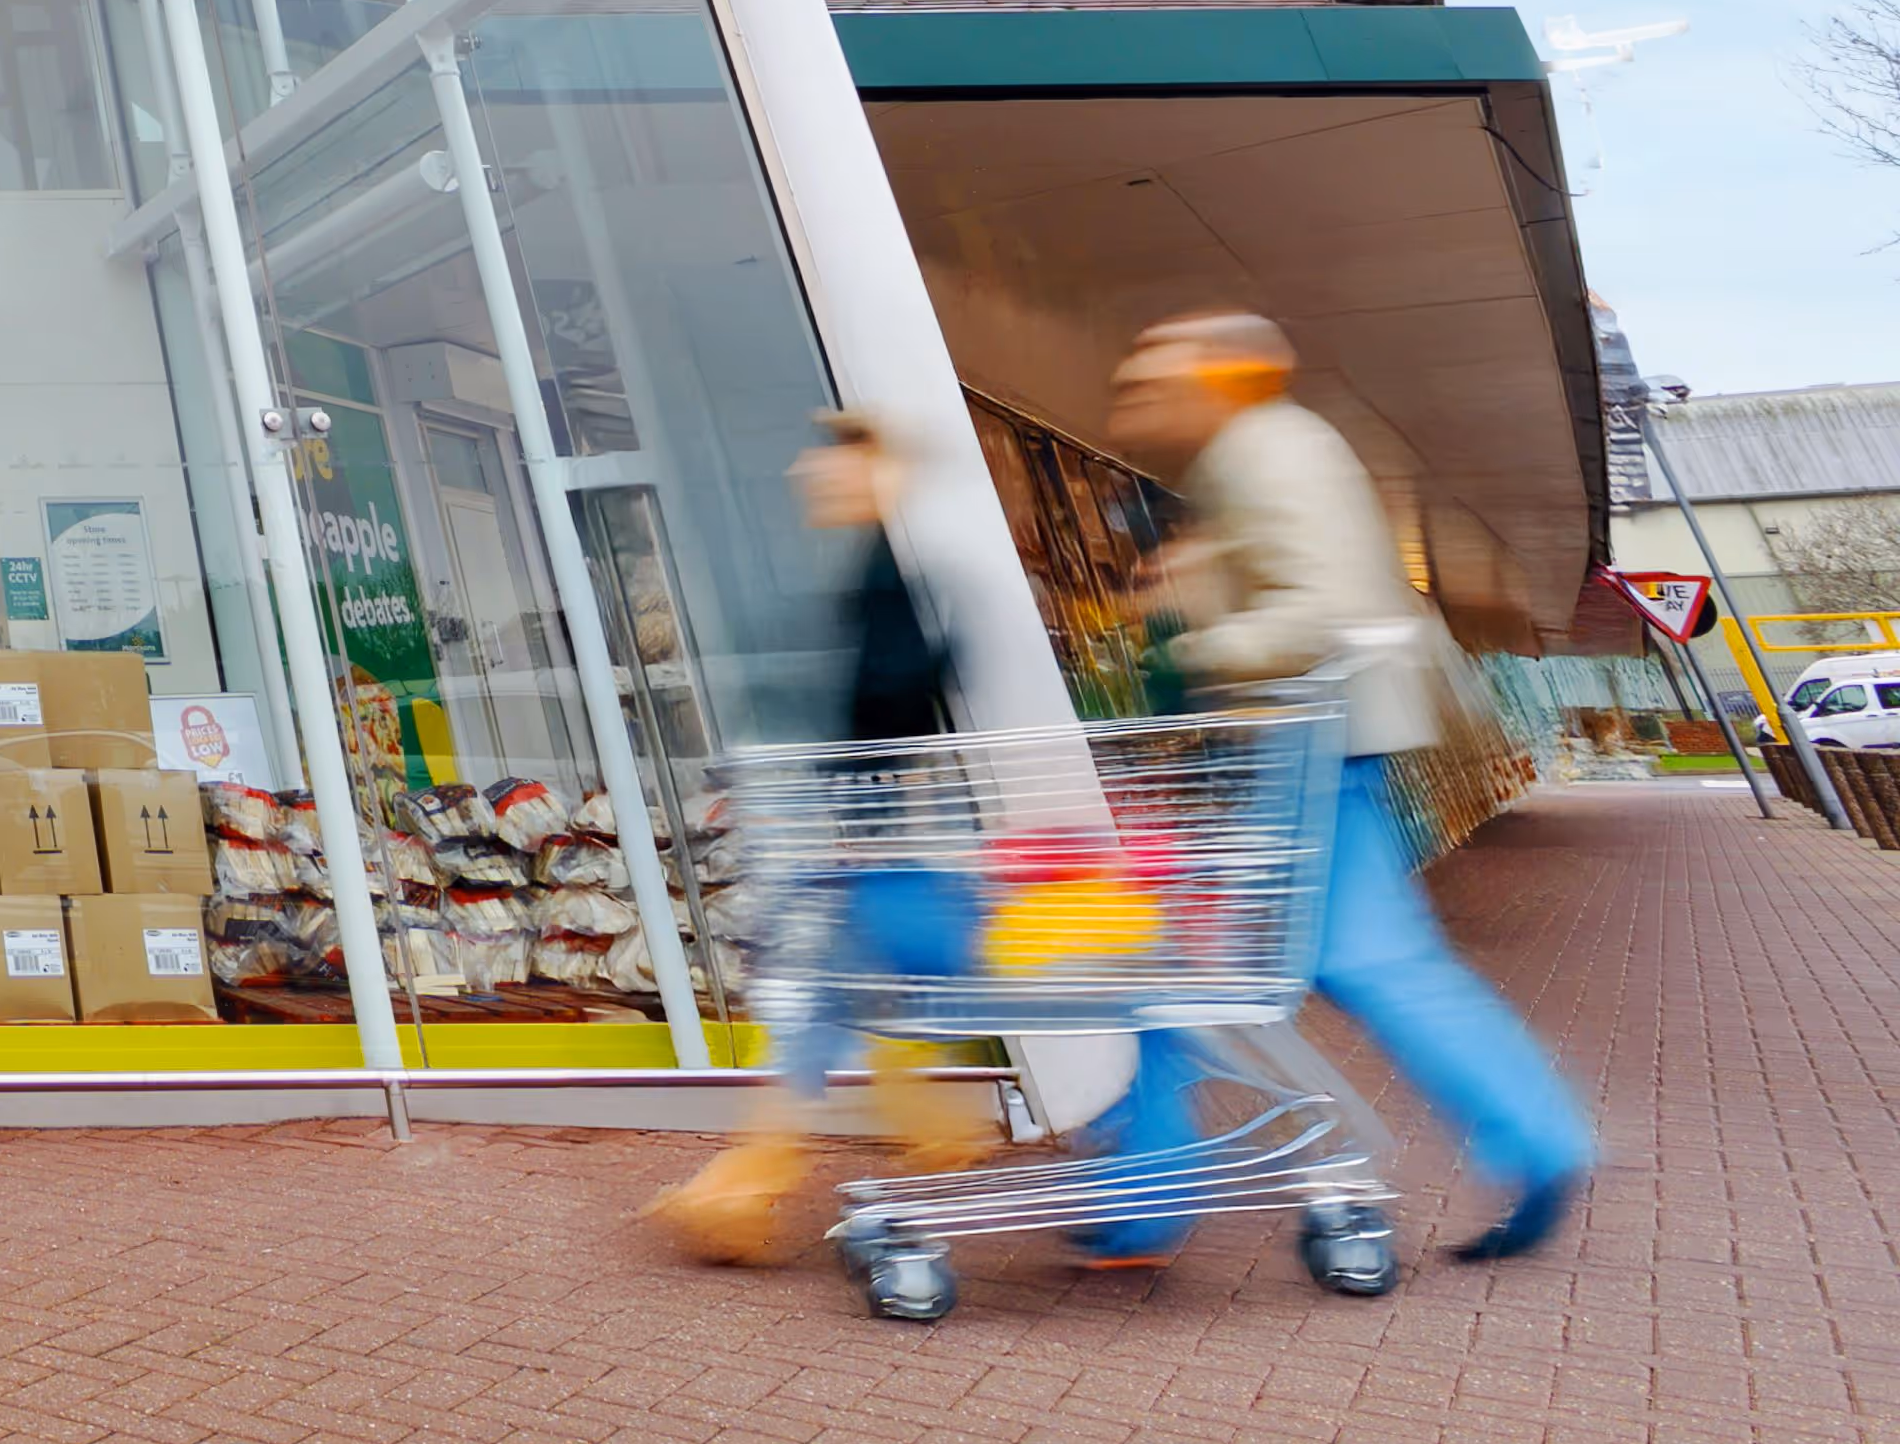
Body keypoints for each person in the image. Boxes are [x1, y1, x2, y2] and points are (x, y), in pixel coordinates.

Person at [1082, 309, 1594, 1265]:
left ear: (1220, 379)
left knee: (1178, 970)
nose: (1134, 398)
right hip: (1322, 755)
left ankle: (1141, 1199)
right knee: (1344, 962)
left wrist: (1200, 647)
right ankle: (1535, 1134)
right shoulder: (1261, 454)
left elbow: (1326, 606)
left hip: (1305, 757)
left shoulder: (1267, 452)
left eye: (1153, 378)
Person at [649, 411, 989, 1262]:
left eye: (833, 463)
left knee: (817, 1003)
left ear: (882, 472)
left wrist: (841, 806)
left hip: (889, 866)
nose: (810, 472)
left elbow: (893, 701)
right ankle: (921, 1135)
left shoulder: (898, 573)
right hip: (883, 861)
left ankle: (743, 1187)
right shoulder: (885, 568)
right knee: (833, 1007)